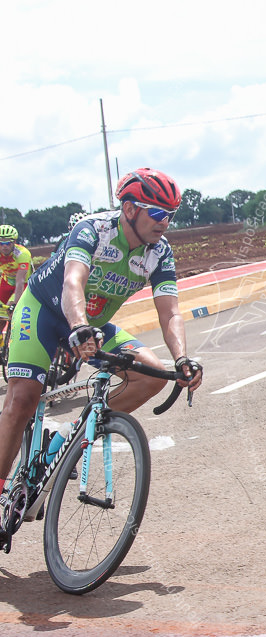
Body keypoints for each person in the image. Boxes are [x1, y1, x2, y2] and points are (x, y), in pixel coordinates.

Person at [0, 168, 203, 537]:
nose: (165, 223)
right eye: (157, 213)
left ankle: (67, 436)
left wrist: (182, 359)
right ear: (129, 209)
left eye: (170, 215)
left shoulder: (159, 252)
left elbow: (170, 310)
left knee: (151, 373)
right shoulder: (94, 230)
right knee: (23, 398)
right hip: (46, 311)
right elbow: (72, 280)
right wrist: (78, 325)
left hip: (92, 324)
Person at [0, 224, 33, 330]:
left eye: (8, 243)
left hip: (23, 283)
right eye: (1, 243)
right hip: (7, 281)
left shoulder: (22, 254)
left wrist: (14, 303)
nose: (4, 246)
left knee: (12, 309)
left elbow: (20, 281)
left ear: (14, 242)